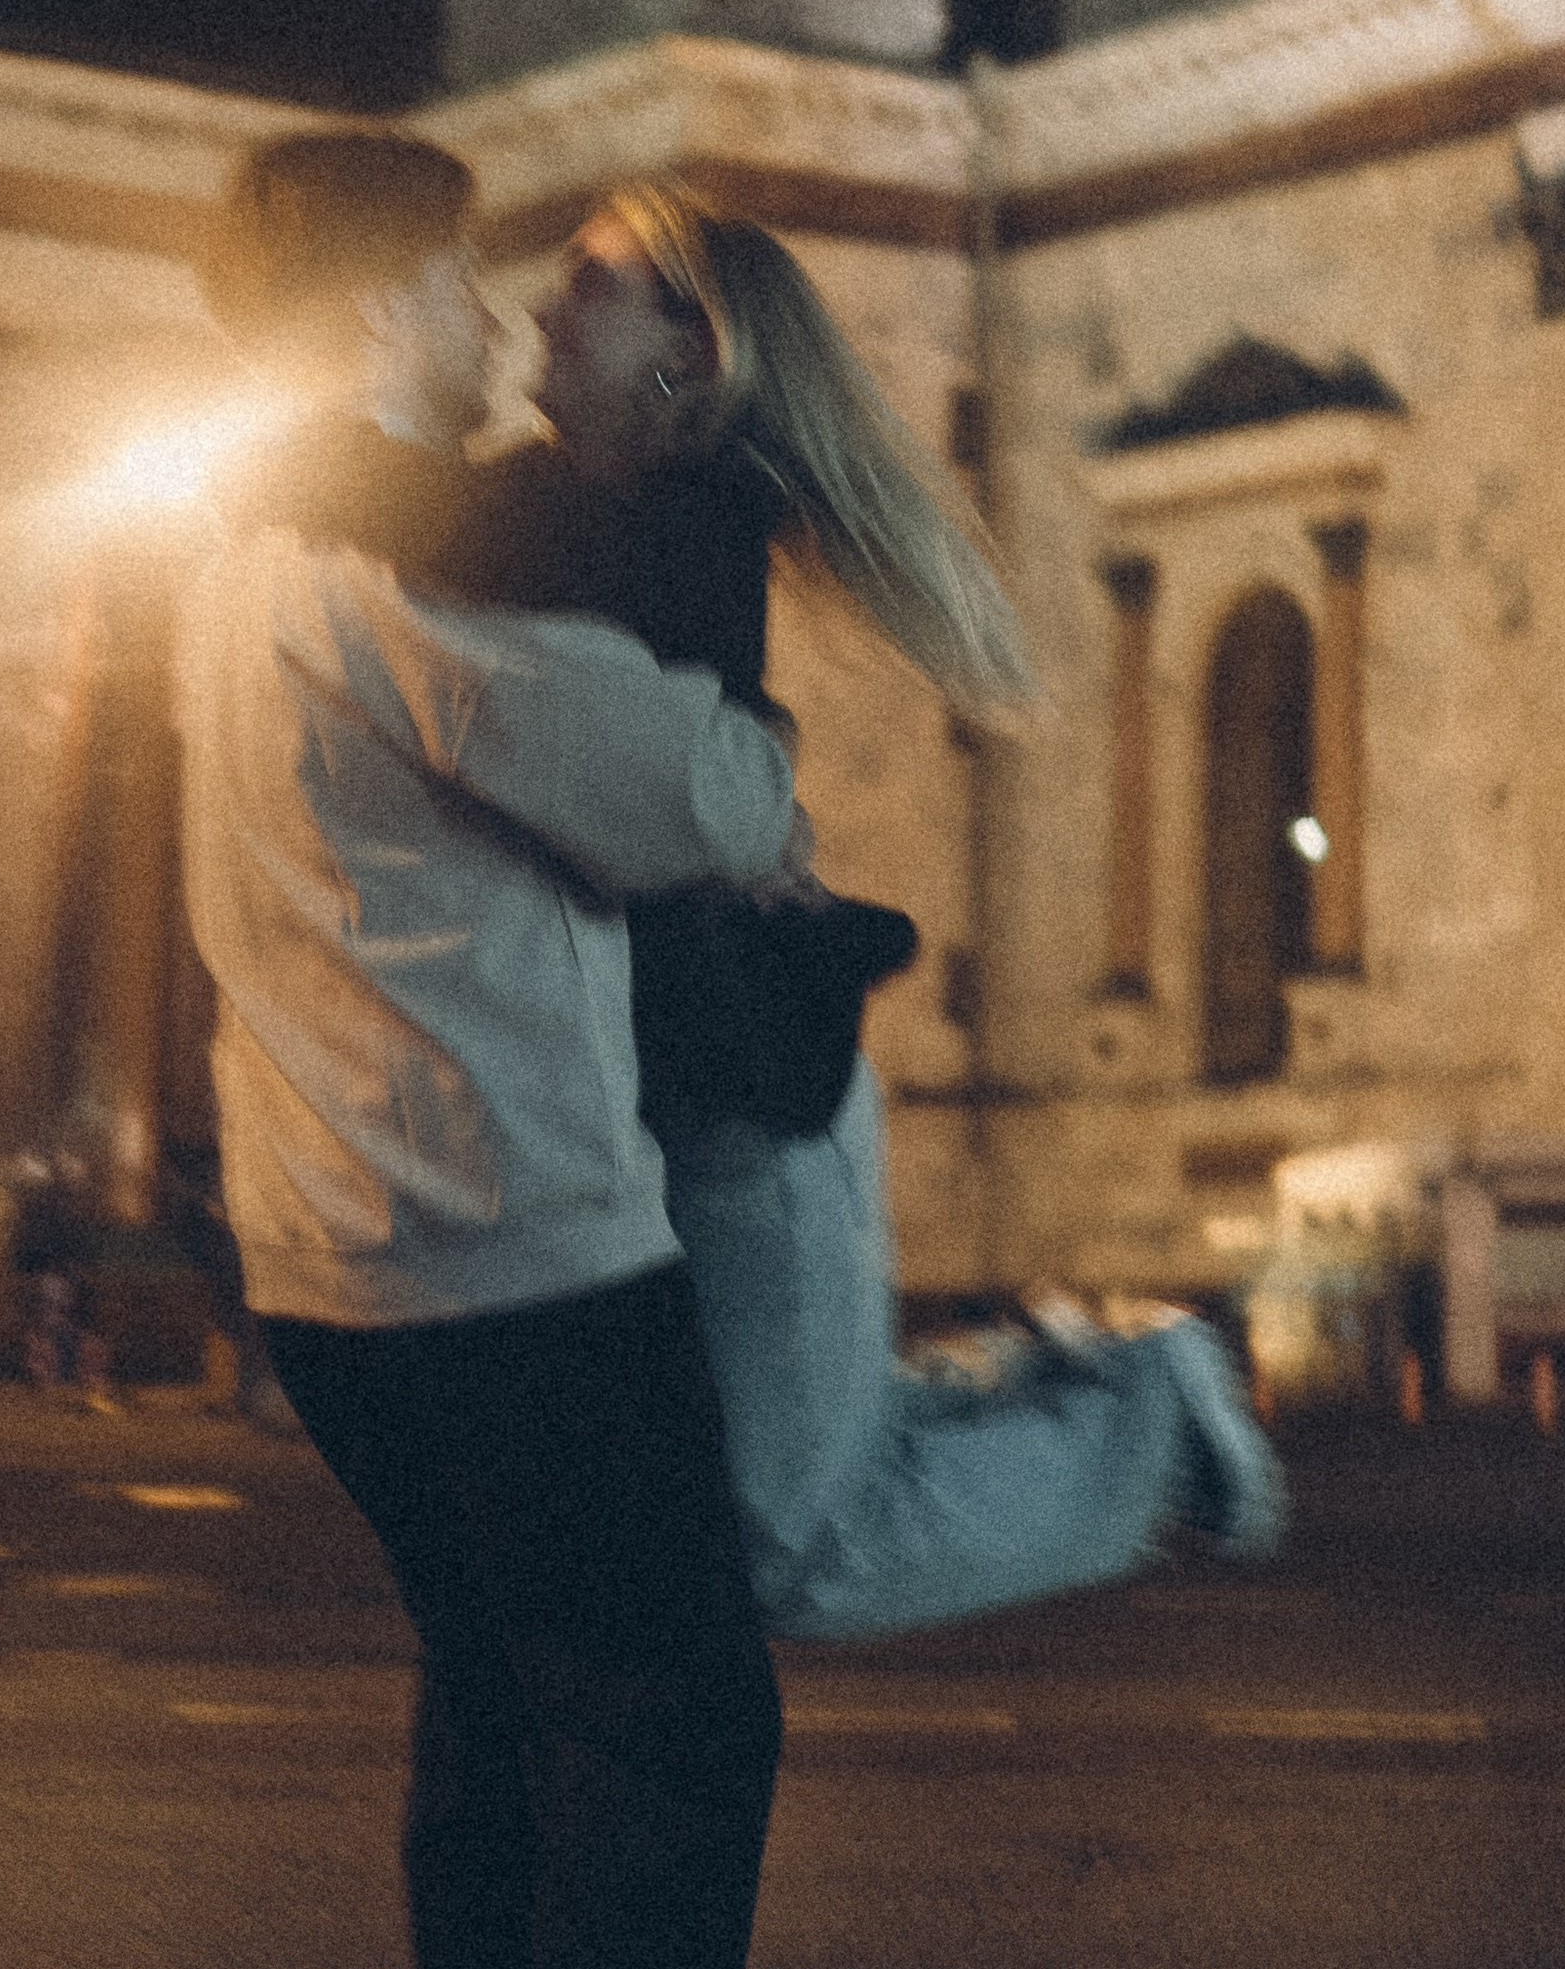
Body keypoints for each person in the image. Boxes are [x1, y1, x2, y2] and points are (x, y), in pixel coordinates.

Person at [174, 129, 801, 1969]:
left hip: (323, 1256)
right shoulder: (397, 560)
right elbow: (691, 801)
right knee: (672, 1724)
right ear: (369, 313)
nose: (484, 325)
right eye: (452, 286)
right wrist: (740, 734)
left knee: (498, 1702)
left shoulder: (234, 545)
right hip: (512, 1239)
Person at [419, 181, 1284, 1635]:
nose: (540, 304)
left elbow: (441, 537)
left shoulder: (672, 531)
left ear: (684, 349)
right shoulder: (590, 513)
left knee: (782, 1546)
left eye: (589, 279)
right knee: (764, 1499)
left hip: (757, 1104)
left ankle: (1155, 1418)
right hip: (662, 1104)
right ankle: (1085, 1378)